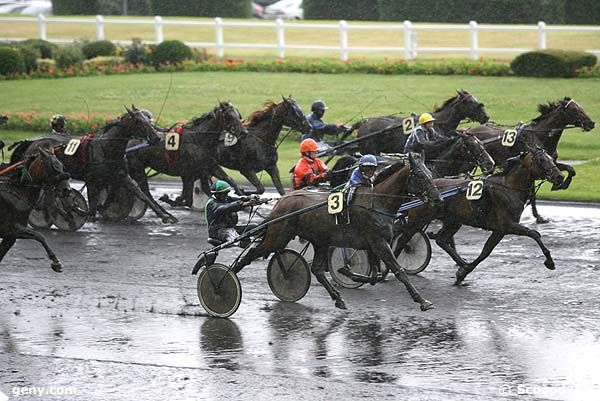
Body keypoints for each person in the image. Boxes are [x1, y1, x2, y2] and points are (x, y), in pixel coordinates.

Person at [205, 180, 265, 245]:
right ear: (217, 194)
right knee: (240, 240)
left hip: (231, 228)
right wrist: (245, 204)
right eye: (225, 193)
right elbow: (226, 208)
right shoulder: (212, 204)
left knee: (257, 228)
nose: (226, 195)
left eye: (227, 193)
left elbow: (239, 199)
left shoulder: (225, 198)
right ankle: (244, 245)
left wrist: (252, 198)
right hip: (218, 232)